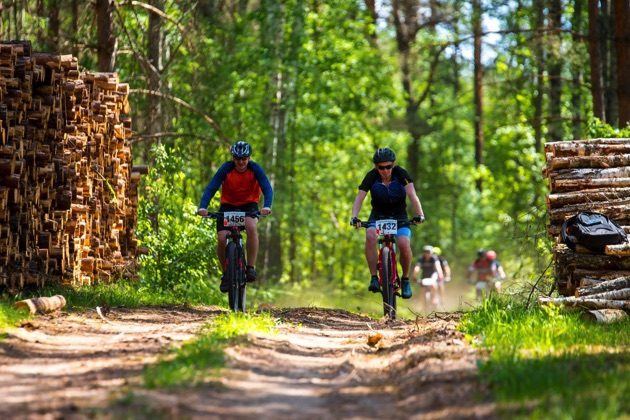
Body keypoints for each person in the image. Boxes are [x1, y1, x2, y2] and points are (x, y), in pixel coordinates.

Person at [197, 141, 273, 293]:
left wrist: (266, 206)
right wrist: (203, 207)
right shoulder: (226, 168)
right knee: (221, 237)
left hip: (249, 205)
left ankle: (250, 267)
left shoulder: (255, 169)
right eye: (237, 158)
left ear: (249, 158)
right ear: (233, 158)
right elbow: (211, 187)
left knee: (251, 227)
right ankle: (226, 273)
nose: (241, 162)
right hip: (228, 206)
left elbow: (267, 188)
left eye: (244, 158)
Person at [350, 147, 425, 299]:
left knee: (404, 243)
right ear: (375, 167)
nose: (385, 171)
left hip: (399, 217)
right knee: (370, 236)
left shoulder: (401, 174)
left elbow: (412, 194)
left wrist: (420, 214)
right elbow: (360, 197)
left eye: (388, 167)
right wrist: (354, 217)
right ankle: (373, 277)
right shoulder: (371, 177)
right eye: (381, 167)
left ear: (394, 164)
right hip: (378, 216)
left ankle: (405, 279)